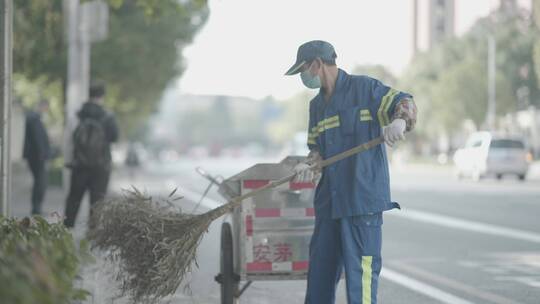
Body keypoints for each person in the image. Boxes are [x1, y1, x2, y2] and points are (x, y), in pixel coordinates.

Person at [285, 40, 417, 304]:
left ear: (317, 64)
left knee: (361, 287)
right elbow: (317, 153)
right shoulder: (316, 107)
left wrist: (400, 120)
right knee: (319, 284)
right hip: (329, 208)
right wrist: (308, 165)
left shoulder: (365, 90)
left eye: (303, 70)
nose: (303, 76)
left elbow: (405, 102)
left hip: (361, 206)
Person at [64, 83, 119, 228]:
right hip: (101, 167)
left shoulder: (77, 115)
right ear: (102, 97)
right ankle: (92, 234)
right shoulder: (108, 116)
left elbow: (70, 140)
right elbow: (114, 137)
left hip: (79, 165)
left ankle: (66, 231)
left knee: (74, 199)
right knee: (97, 202)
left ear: (88, 95)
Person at [23, 100, 51, 215]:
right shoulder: (34, 119)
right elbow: (38, 139)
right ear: (41, 106)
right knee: (40, 182)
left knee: (39, 182)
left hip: (36, 156)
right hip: (37, 157)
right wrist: (43, 154)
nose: (46, 110)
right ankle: (36, 208)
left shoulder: (34, 118)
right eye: (46, 107)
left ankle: (37, 208)